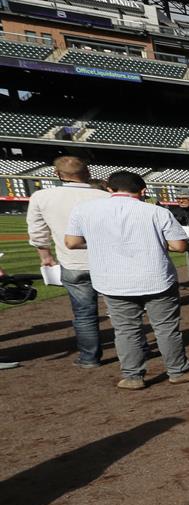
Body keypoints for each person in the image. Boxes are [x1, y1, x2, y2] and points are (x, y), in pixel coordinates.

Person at [63, 171, 189, 390]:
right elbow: (179, 246)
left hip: (112, 279)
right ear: (143, 191)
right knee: (166, 328)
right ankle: (178, 370)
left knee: (126, 330)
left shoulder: (85, 210)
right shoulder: (156, 211)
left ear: (109, 189)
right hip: (155, 277)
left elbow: (72, 242)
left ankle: (132, 376)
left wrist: (102, 243)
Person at [25, 155, 109, 367]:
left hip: (72, 262)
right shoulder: (106, 196)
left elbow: (37, 233)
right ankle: (136, 351)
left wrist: (46, 257)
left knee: (84, 314)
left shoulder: (42, 196)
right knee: (120, 310)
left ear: (58, 174)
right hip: (109, 261)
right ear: (87, 172)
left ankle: (89, 358)